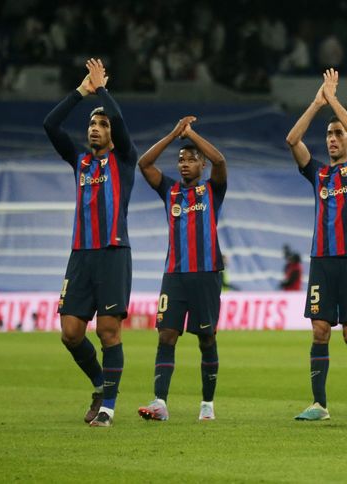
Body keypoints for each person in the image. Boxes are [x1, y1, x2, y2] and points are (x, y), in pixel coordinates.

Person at [43, 58, 136, 427]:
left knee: (109, 331)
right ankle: (100, 384)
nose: (96, 129)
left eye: (102, 124)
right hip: (80, 256)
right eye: (92, 124)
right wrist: (81, 92)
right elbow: (50, 124)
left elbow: (124, 126)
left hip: (113, 254)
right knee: (70, 334)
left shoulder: (125, 159)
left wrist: (103, 91)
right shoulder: (79, 160)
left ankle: (109, 407)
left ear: (112, 133)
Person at [285, 68, 347, 421]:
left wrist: (334, 101)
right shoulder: (318, 173)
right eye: (329, 134)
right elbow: (293, 140)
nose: (333, 138)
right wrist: (316, 103)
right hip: (322, 259)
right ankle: (319, 404)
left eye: (337, 134)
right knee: (320, 331)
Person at [135, 116, 228, 422]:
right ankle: (160, 402)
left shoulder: (212, 190)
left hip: (206, 275)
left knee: (207, 339)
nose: (185, 164)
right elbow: (144, 163)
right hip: (174, 275)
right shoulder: (169, 190)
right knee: (166, 336)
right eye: (181, 159)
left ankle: (207, 405)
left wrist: (192, 135)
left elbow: (220, 160)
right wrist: (173, 133)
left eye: (192, 160)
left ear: (201, 166)